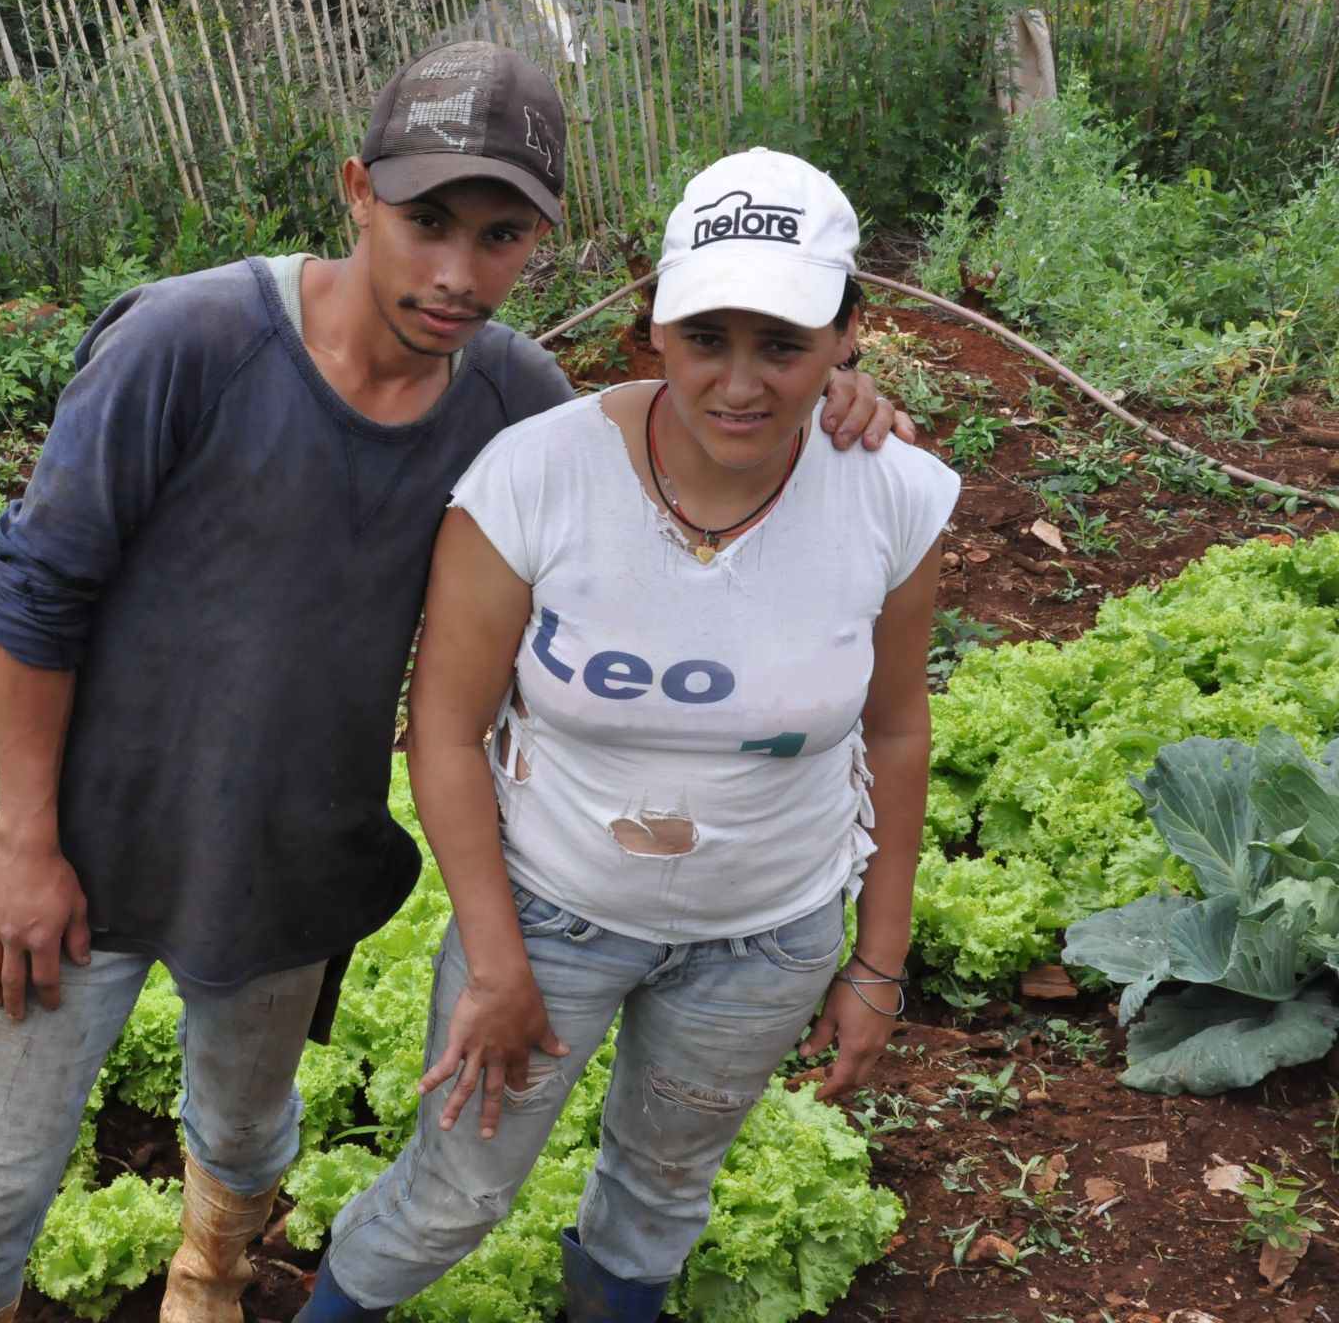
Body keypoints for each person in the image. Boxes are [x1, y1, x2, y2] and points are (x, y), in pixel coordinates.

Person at [0, 47, 912, 1323]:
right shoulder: (191, 341)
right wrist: (24, 840)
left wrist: (832, 397)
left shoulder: (509, 399)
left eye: (500, 236)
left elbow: (682, 425)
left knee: (246, 1129)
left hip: (287, 861)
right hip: (80, 858)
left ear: (537, 242)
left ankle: (207, 1278)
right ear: (355, 194)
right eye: (424, 220)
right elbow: (36, 588)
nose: (455, 272)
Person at [291, 148, 957, 1323]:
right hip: (548, 917)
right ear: (651, 323)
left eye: (783, 345)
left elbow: (896, 732)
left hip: (767, 937)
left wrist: (875, 962)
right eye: (706, 337)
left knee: (659, 1195)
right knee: (453, 1190)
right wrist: (495, 962)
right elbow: (440, 735)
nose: (739, 383)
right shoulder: (537, 477)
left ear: (850, 334)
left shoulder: (889, 494)